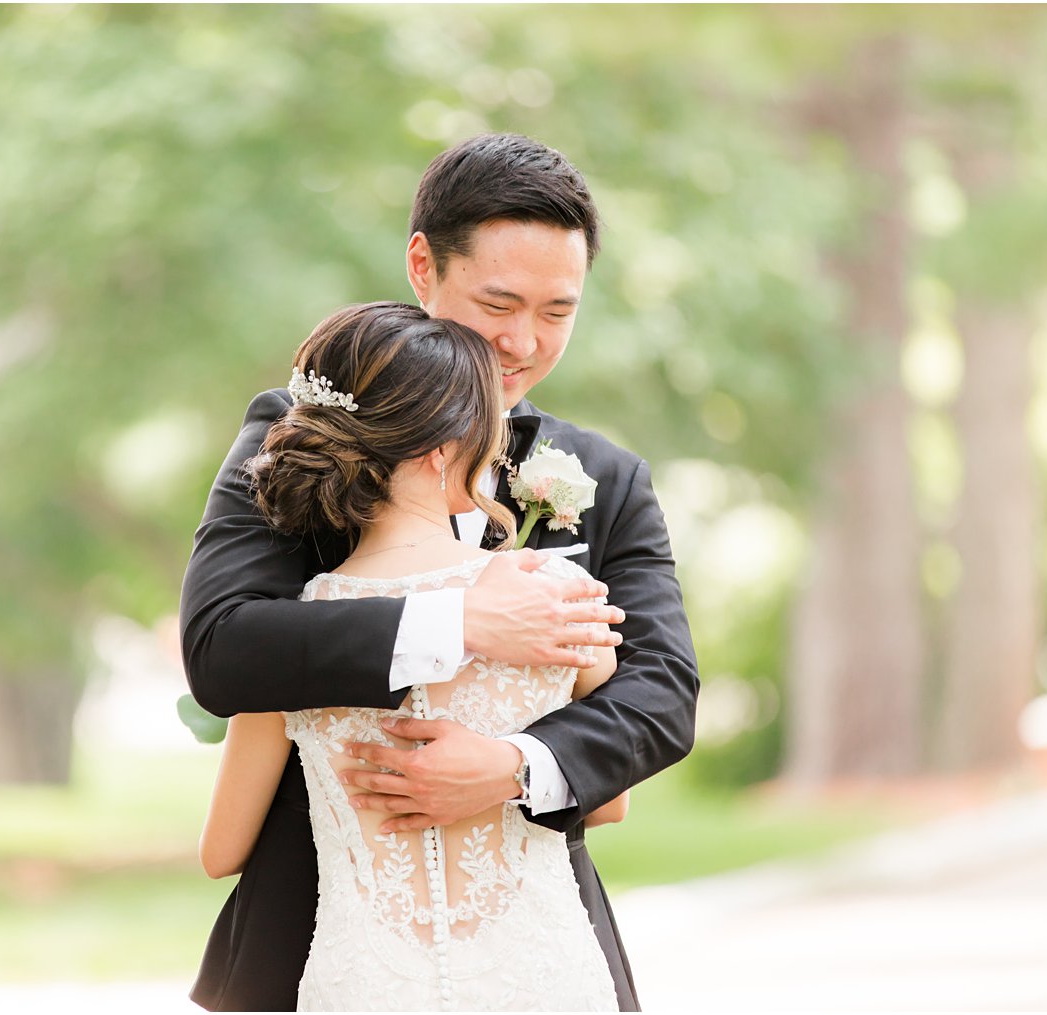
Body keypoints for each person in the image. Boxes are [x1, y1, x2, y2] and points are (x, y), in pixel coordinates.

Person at [180, 133, 698, 1011]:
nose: (521, 341)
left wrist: (517, 763)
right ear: (423, 265)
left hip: (535, 951)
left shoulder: (604, 479)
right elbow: (223, 642)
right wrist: (459, 622)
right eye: (498, 300)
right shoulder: (299, 436)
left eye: (557, 311)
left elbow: (662, 694)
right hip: (318, 945)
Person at [200, 301, 631, 1011]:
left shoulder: (289, 638)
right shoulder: (557, 595)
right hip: (541, 977)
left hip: (364, 982)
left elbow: (221, 853)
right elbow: (608, 799)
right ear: (441, 449)